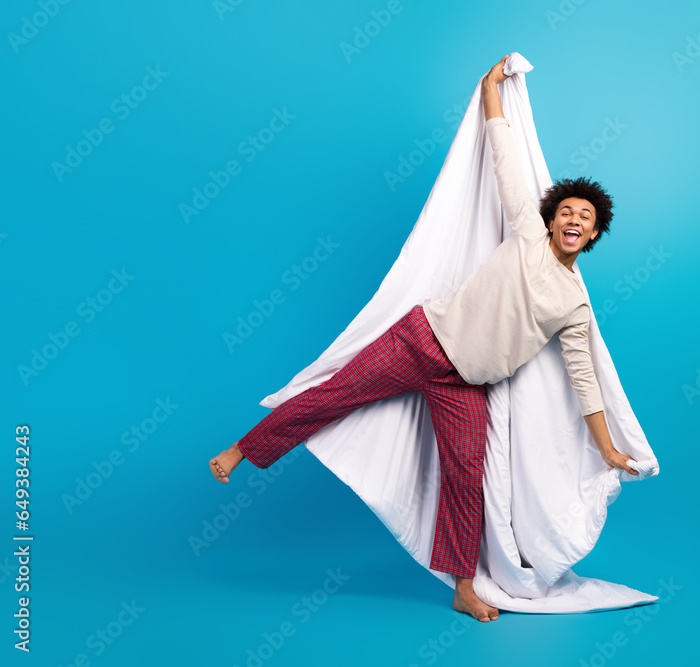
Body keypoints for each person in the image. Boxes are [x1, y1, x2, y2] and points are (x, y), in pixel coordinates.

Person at [208, 55, 637, 623]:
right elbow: (505, 157)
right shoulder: (528, 233)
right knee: (335, 394)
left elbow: (584, 380)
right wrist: (490, 93)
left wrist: (606, 448)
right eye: (567, 210)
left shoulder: (575, 305)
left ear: (594, 233)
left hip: (467, 385)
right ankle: (244, 449)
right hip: (420, 340)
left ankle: (464, 587)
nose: (573, 218)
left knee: (466, 480)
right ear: (552, 218)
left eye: (585, 215)